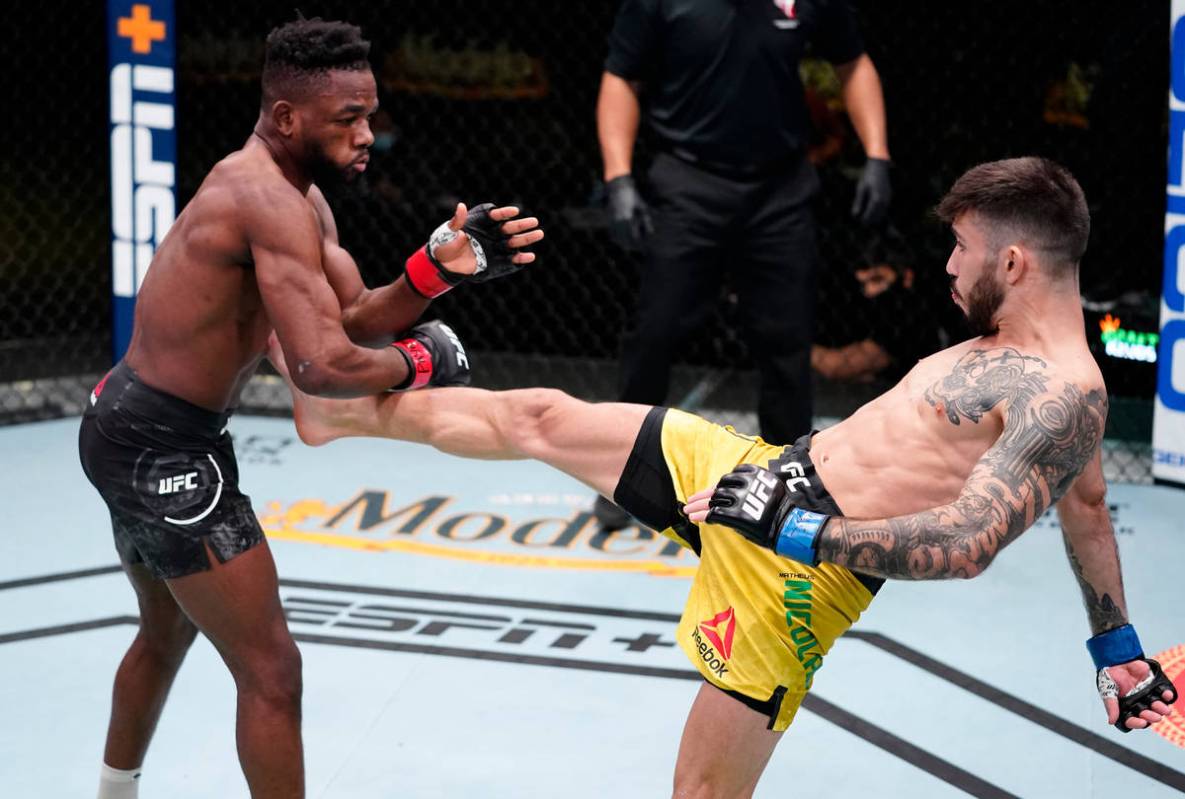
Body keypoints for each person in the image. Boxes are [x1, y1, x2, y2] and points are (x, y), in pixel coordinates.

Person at [270, 157, 1175, 795]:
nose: (946, 264)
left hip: (799, 570)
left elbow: (965, 542)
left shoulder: (1063, 397)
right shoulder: (1013, 345)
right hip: (766, 475)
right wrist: (1116, 646)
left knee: (701, 793)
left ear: (1013, 263)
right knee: (539, 415)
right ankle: (333, 412)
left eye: (964, 250)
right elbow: (1087, 508)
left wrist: (791, 528)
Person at [77, 18, 542, 799]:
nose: (369, 133)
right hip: (158, 450)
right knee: (272, 670)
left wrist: (435, 271)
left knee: (165, 635)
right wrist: (423, 360)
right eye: (348, 118)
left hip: (141, 431)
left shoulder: (301, 198)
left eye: (369, 113)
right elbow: (321, 367)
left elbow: (353, 313)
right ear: (288, 116)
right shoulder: (262, 198)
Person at [593, 0, 893, 529]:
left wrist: (877, 154)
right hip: (688, 180)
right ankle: (628, 473)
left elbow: (854, 62)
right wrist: (618, 177)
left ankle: (786, 485)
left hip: (779, 188)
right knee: (655, 332)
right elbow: (621, 78)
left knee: (786, 341)